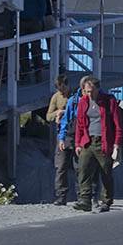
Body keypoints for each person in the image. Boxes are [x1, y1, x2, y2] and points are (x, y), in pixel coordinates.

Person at [71, 75, 123, 214]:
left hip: (104, 142)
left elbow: (118, 125)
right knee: (83, 169)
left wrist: (116, 144)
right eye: (87, 91)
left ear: (98, 89)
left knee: (105, 172)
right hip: (88, 141)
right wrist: (78, 143)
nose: (89, 94)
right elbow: (80, 124)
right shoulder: (83, 102)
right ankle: (85, 200)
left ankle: (106, 201)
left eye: (92, 91)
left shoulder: (109, 101)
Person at [46, 74, 73, 205]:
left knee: (79, 167)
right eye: (59, 89)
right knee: (60, 167)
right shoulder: (56, 97)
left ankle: (84, 196)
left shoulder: (75, 96)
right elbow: (48, 116)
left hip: (76, 133)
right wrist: (57, 113)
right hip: (62, 135)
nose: (61, 92)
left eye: (63, 89)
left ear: (68, 85)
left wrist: (65, 112)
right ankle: (61, 196)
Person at [20, 0, 48, 77]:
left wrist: (38, 19)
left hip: (34, 22)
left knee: (36, 47)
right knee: (22, 48)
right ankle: (25, 71)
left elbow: (43, 5)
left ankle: (38, 71)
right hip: (21, 21)